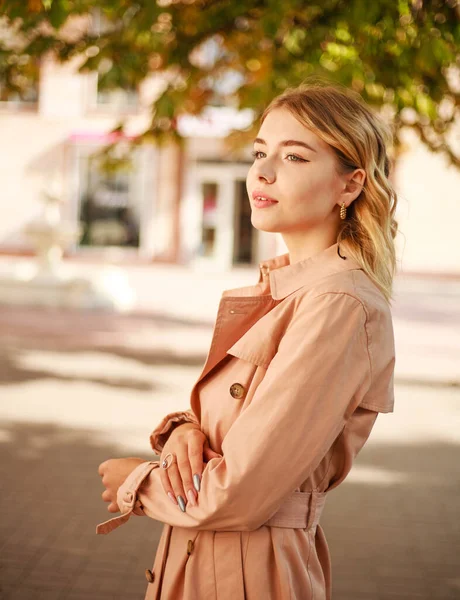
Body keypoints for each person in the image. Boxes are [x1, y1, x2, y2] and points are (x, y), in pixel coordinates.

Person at [96, 82, 398, 600]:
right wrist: (184, 433)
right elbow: (238, 426)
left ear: (350, 185)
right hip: (203, 560)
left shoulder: (338, 305)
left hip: (250, 573)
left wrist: (136, 482)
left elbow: (242, 491)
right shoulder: (288, 288)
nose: (262, 170)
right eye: (260, 152)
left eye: (295, 157)